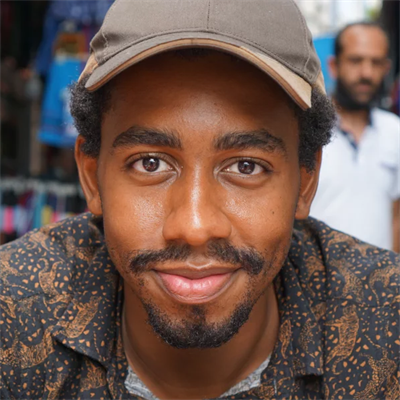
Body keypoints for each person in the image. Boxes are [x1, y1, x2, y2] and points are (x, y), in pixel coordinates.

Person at [0, 2, 400, 399]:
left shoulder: (385, 322)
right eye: (150, 163)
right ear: (92, 177)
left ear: (305, 182)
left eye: (245, 166)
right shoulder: (14, 310)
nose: (194, 227)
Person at [310, 22, 400, 252]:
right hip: (316, 272)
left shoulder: (394, 131)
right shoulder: (307, 130)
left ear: (386, 68)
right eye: (356, 61)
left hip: (380, 272)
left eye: (376, 63)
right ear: (334, 66)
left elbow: (396, 214)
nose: (366, 73)